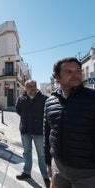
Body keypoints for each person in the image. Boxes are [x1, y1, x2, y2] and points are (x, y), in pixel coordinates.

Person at [44, 57, 95, 188]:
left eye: (78, 70)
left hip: (87, 173)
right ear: (57, 77)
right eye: (68, 72)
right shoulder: (50, 101)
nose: (76, 75)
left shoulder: (92, 98)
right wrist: (48, 162)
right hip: (59, 169)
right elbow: (48, 133)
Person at [15, 79, 50, 188]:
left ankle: (45, 177)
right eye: (30, 86)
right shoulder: (21, 99)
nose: (32, 88)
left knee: (42, 155)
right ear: (26, 88)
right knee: (26, 152)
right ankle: (26, 173)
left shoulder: (44, 99)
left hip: (39, 131)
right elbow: (18, 111)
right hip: (25, 130)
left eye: (34, 86)